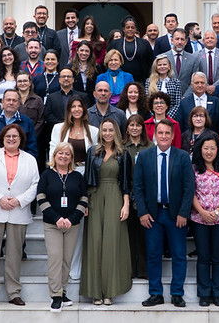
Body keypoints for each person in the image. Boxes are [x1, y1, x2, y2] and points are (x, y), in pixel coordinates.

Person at [133, 120, 195, 308]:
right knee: (153, 255)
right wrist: (142, 212)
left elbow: (189, 186)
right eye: (160, 133)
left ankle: (177, 293)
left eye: (168, 133)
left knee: (178, 254)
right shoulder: (144, 156)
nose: (164, 136)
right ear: (155, 135)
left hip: (176, 214)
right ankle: (156, 293)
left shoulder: (183, 157)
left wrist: (184, 212)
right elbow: (138, 186)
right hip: (153, 214)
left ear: (173, 135)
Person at [0, 124, 40, 307]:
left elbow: (35, 184)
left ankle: (13, 292)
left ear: (21, 139)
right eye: (8, 136)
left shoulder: (29, 159)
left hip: (18, 211)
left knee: (14, 253)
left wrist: (19, 200)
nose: (11, 139)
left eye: (15, 136)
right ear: (2, 138)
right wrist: (0, 199)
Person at [81, 119, 133, 305]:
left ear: (116, 132)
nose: (108, 133)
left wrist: (125, 204)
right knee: (94, 243)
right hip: (95, 197)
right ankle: (95, 291)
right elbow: (87, 179)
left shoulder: (123, 154)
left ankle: (109, 291)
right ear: (101, 132)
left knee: (111, 243)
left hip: (115, 197)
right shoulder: (92, 152)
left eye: (111, 130)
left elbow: (126, 182)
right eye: (105, 130)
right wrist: (85, 203)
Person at [49, 97, 98, 280]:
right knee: (63, 217)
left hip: (84, 177)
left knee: (79, 222)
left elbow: (95, 159)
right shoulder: (58, 129)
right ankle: (60, 267)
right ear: (68, 110)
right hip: (63, 175)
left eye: (80, 106)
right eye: (73, 107)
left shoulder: (93, 130)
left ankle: (75, 268)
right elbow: (52, 153)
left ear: (85, 110)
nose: (76, 109)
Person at [37, 142, 88, 312]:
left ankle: (63, 291)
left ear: (71, 158)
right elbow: (41, 197)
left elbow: (84, 199)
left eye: (67, 154)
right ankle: (56, 296)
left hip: (72, 225)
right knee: (55, 258)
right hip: (52, 224)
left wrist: (72, 219)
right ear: (55, 155)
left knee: (67, 260)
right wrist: (57, 218)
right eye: (61, 153)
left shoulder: (77, 177)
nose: (64, 156)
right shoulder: (46, 175)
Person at [190, 135, 219, 307]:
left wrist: (217, 211)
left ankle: (218, 294)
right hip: (199, 219)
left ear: (218, 150)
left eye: (212, 148)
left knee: (217, 257)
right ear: (200, 150)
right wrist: (202, 211)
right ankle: (203, 294)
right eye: (206, 148)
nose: (209, 152)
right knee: (203, 257)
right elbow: (191, 192)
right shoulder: (194, 169)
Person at [122, 114, 153, 279]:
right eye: (131, 125)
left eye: (138, 125)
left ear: (143, 128)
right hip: (126, 195)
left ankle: (144, 270)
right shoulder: (121, 147)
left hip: (146, 196)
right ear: (127, 128)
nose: (134, 128)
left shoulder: (150, 147)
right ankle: (131, 269)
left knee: (144, 235)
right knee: (130, 235)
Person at [0, 89, 38, 156]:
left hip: (20, 162)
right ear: (2, 102)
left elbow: (32, 148)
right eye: (8, 100)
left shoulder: (27, 122)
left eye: (14, 100)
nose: (11, 103)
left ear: (19, 103)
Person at [106, 16, 154, 84]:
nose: (130, 29)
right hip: (119, 80)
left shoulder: (144, 43)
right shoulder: (115, 44)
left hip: (141, 80)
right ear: (123, 29)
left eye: (132, 27)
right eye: (128, 27)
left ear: (135, 29)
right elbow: (108, 61)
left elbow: (150, 61)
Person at [16, 71, 45, 155]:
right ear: (16, 83)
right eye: (20, 81)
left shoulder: (38, 100)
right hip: (14, 139)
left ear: (29, 83)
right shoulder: (12, 99)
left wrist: (31, 136)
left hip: (33, 140)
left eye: (25, 81)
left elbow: (41, 120)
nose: (22, 83)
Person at [144, 55, 183, 119]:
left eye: (164, 64)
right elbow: (147, 102)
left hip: (171, 118)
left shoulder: (176, 82)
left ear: (169, 66)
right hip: (154, 118)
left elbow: (177, 103)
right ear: (156, 67)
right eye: (159, 65)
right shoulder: (149, 81)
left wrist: (167, 117)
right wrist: (156, 117)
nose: (162, 67)